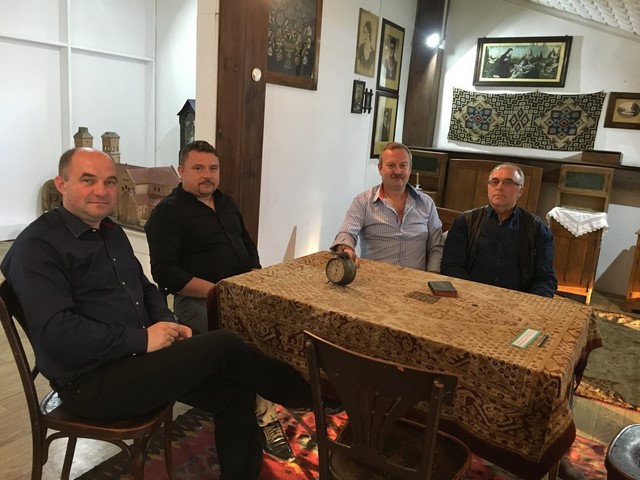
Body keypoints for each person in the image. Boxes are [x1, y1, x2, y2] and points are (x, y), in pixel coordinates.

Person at [0, 147, 312, 480]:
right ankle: (306, 393)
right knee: (225, 344)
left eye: (109, 182)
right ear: (61, 185)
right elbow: (57, 333)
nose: (102, 191)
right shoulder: (37, 246)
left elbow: (146, 288)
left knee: (235, 391)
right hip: (90, 382)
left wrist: (166, 321)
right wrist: (143, 339)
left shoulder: (110, 231)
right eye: (88, 180)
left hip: (138, 360)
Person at [144, 140, 296, 463]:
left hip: (241, 294)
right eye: (198, 168)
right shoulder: (168, 213)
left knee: (283, 327)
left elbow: (247, 245)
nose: (207, 175)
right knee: (249, 343)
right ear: (181, 171)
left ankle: (292, 391)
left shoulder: (227, 203)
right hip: (198, 301)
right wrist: (218, 291)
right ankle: (266, 420)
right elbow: (165, 273)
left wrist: (254, 278)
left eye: (213, 168)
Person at [441, 163, 584, 480]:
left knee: (552, 374)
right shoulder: (467, 222)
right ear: (487, 187)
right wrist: (478, 303)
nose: (500, 187)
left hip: (520, 317)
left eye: (508, 183)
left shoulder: (537, 229)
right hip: (472, 312)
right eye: (494, 181)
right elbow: (451, 267)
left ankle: (555, 453)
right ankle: (454, 429)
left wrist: (526, 309)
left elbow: (546, 279)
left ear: (520, 190)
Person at [331, 142, 443, 272]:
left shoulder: (427, 203)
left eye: (403, 165)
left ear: (410, 168)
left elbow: (436, 246)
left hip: (415, 281)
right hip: (375, 279)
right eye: (391, 165)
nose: (398, 171)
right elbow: (347, 232)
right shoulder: (362, 202)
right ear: (380, 168)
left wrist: (432, 275)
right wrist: (346, 249)